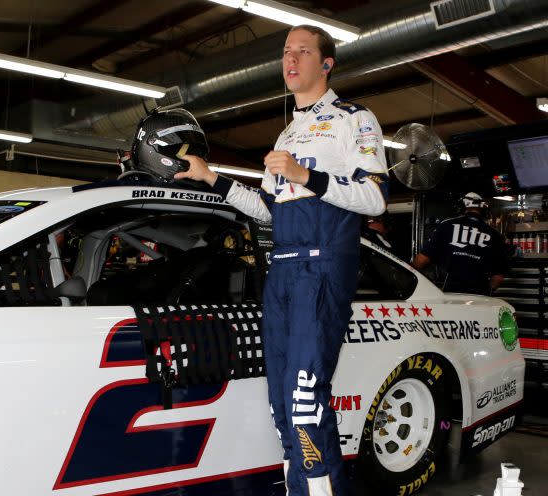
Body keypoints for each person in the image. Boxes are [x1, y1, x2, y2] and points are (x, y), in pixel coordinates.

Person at [174, 24, 388, 496]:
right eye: (286, 52)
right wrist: (212, 178)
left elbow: (374, 199)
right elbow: (268, 210)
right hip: (283, 271)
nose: (291, 59)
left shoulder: (355, 118)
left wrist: (304, 174)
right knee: (280, 402)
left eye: (303, 51)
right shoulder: (288, 130)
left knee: (306, 398)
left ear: (326, 63)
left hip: (323, 265)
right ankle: (302, 488)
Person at [413, 192, 508, 295]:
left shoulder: (447, 225)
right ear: (483, 210)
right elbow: (498, 277)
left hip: (447, 292)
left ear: (462, 207)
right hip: (479, 294)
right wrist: (486, 293)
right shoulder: (495, 235)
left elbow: (422, 260)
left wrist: (407, 275)